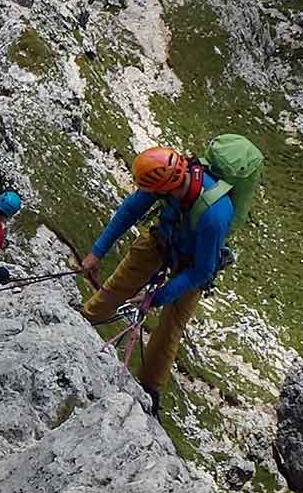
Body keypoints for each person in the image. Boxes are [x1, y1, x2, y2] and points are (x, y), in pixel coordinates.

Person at [76, 146, 233, 404]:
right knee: (125, 275)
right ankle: (86, 319)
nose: (147, 194)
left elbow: (202, 271)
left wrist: (157, 298)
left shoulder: (214, 215)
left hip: (194, 263)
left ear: (164, 188)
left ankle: (149, 390)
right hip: (165, 237)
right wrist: (97, 252)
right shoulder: (169, 179)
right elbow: (130, 210)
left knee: (172, 325)